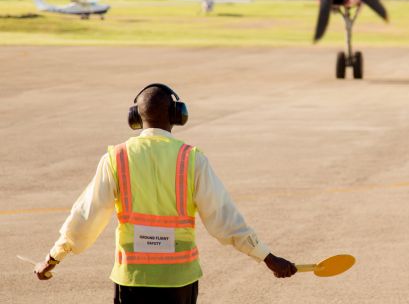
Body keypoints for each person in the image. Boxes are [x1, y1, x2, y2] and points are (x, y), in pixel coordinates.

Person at [34, 83, 296, 303]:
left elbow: (86, 215)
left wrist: (55, 256)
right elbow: (225, 219)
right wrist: (267, 257)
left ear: (136, 117)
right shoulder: (191, 159)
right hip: (179, 280)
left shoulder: (116, 158)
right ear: (177, 114)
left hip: (133, 279)